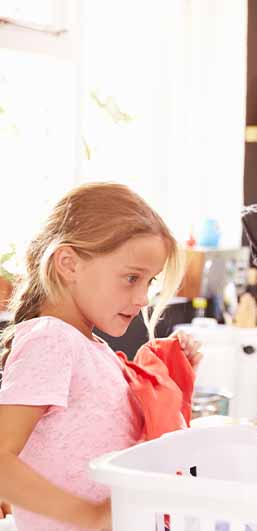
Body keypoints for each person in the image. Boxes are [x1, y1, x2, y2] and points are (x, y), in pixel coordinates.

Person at [0, 183, 203, 531]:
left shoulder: (89, 348)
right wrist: (91, 517)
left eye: (149, 283)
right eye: (131, 278)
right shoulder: (52, 339)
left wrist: (171, 378)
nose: (142, 298)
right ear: (69, 264)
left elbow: (117, 436)